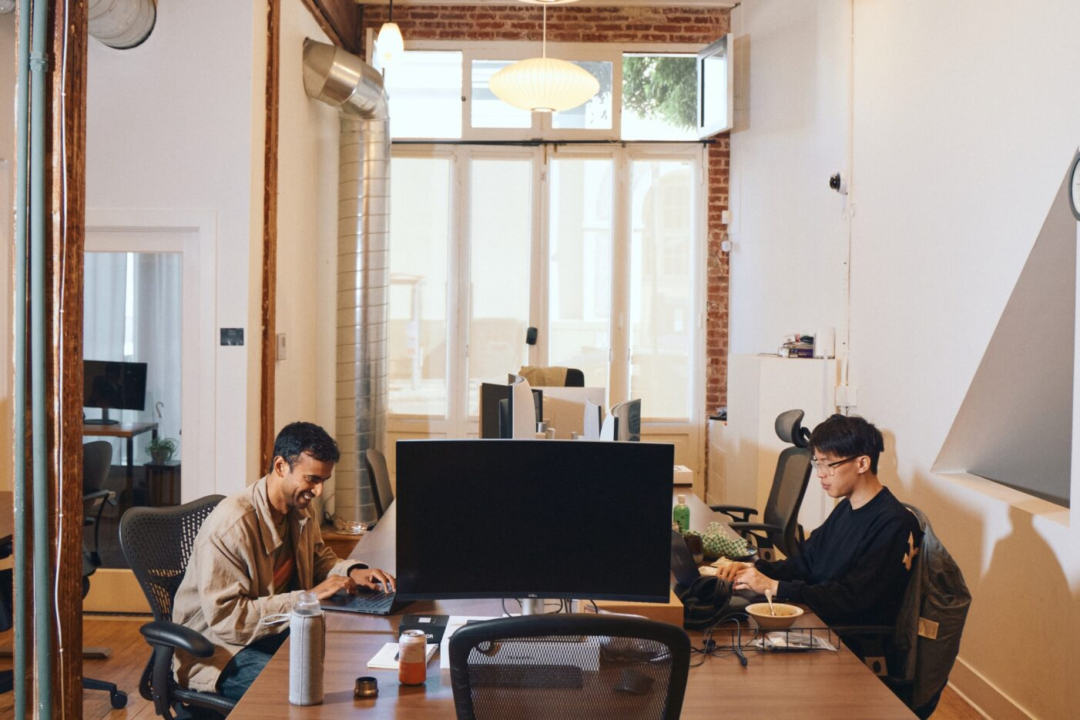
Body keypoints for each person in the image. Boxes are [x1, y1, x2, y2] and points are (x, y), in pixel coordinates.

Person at [171, 421, 395, 700]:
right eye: (312, 479)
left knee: (347, 663)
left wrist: (353, 571)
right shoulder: (231, 527)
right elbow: (229, 621)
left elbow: (317, 559)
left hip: (270, 633)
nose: (318, 491)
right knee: (306, 686)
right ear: (280, 466)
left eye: (323, 481)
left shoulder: (299, 507)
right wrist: (307, 598)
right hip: (216, 650)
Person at [719, 414, 922, 642]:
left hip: (846, 637)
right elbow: (805, 562)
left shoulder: (894, 523)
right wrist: (755, 569)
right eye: (817, 463)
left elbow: (854, 600)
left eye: (829, 464)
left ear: (862, 463)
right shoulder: (845, 508)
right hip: (819, 615)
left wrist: (776, 587)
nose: (820, 473)